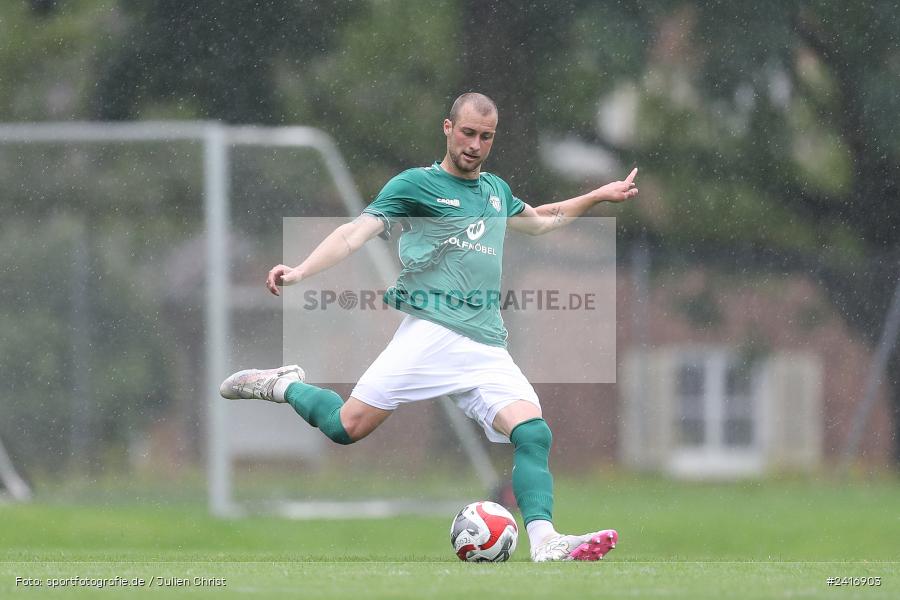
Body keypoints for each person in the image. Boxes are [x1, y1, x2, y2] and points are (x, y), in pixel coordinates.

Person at [220, 92, 638, 562]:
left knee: (533, 433)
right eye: (467, 133)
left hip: (485, 345)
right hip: (430, 335)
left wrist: (597, 196)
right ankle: (285, 386)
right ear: (447, 128)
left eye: (486, 136)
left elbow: (541, 221)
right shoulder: (416, 185)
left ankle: (545, 542)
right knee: (344, 427)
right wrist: (299, 271)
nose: (475, 144)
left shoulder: (496, 191)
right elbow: (352, 233)